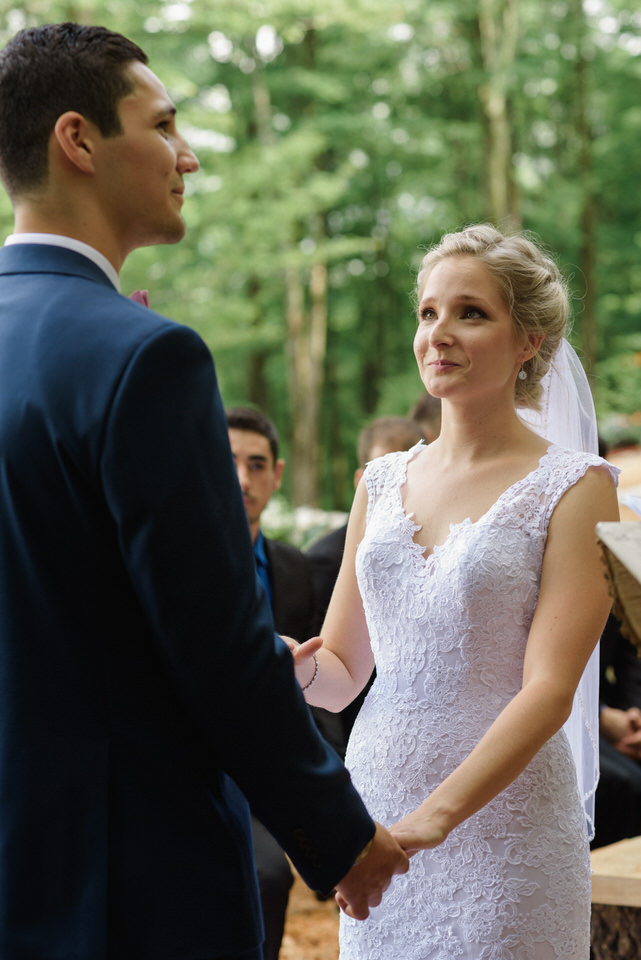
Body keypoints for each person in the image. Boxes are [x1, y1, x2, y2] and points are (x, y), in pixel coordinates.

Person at [0, 23, 408, 960]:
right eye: (165, 124)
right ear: (79, 140)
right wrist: (341, 838)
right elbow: (213, 645)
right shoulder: (147, 357)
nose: (187, 156)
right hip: (125, 872)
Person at [289, 224, 620, 958]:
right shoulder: (380, 484)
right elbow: (341, 676)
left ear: (528, 341)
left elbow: (548, 689)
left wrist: (434, 819)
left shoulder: (575, 488)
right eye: (427, 312)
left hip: (504, 828)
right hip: (375, 812)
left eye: (470, 313)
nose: (438, 333)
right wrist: (285, 664)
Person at [226, 405, 342, 960]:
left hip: (277, 759)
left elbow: (319, 673)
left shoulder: (296, 568)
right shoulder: (172, 556)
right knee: (260, 873)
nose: (243, 479)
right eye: (228, 463)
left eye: (256, 464)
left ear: (277, 474)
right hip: (200, 761)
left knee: (271, 875)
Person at [307, 416, 425, 745]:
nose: (401, 482)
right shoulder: (322, 561)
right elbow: (334, 665)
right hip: (359, 733)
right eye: (389, 469)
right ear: (363, 479)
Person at [593, 612, 641, 848]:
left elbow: (632, 653)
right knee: (623, 784)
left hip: (618, 712)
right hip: (568, 712)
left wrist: (635, 715)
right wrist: (599, 714)